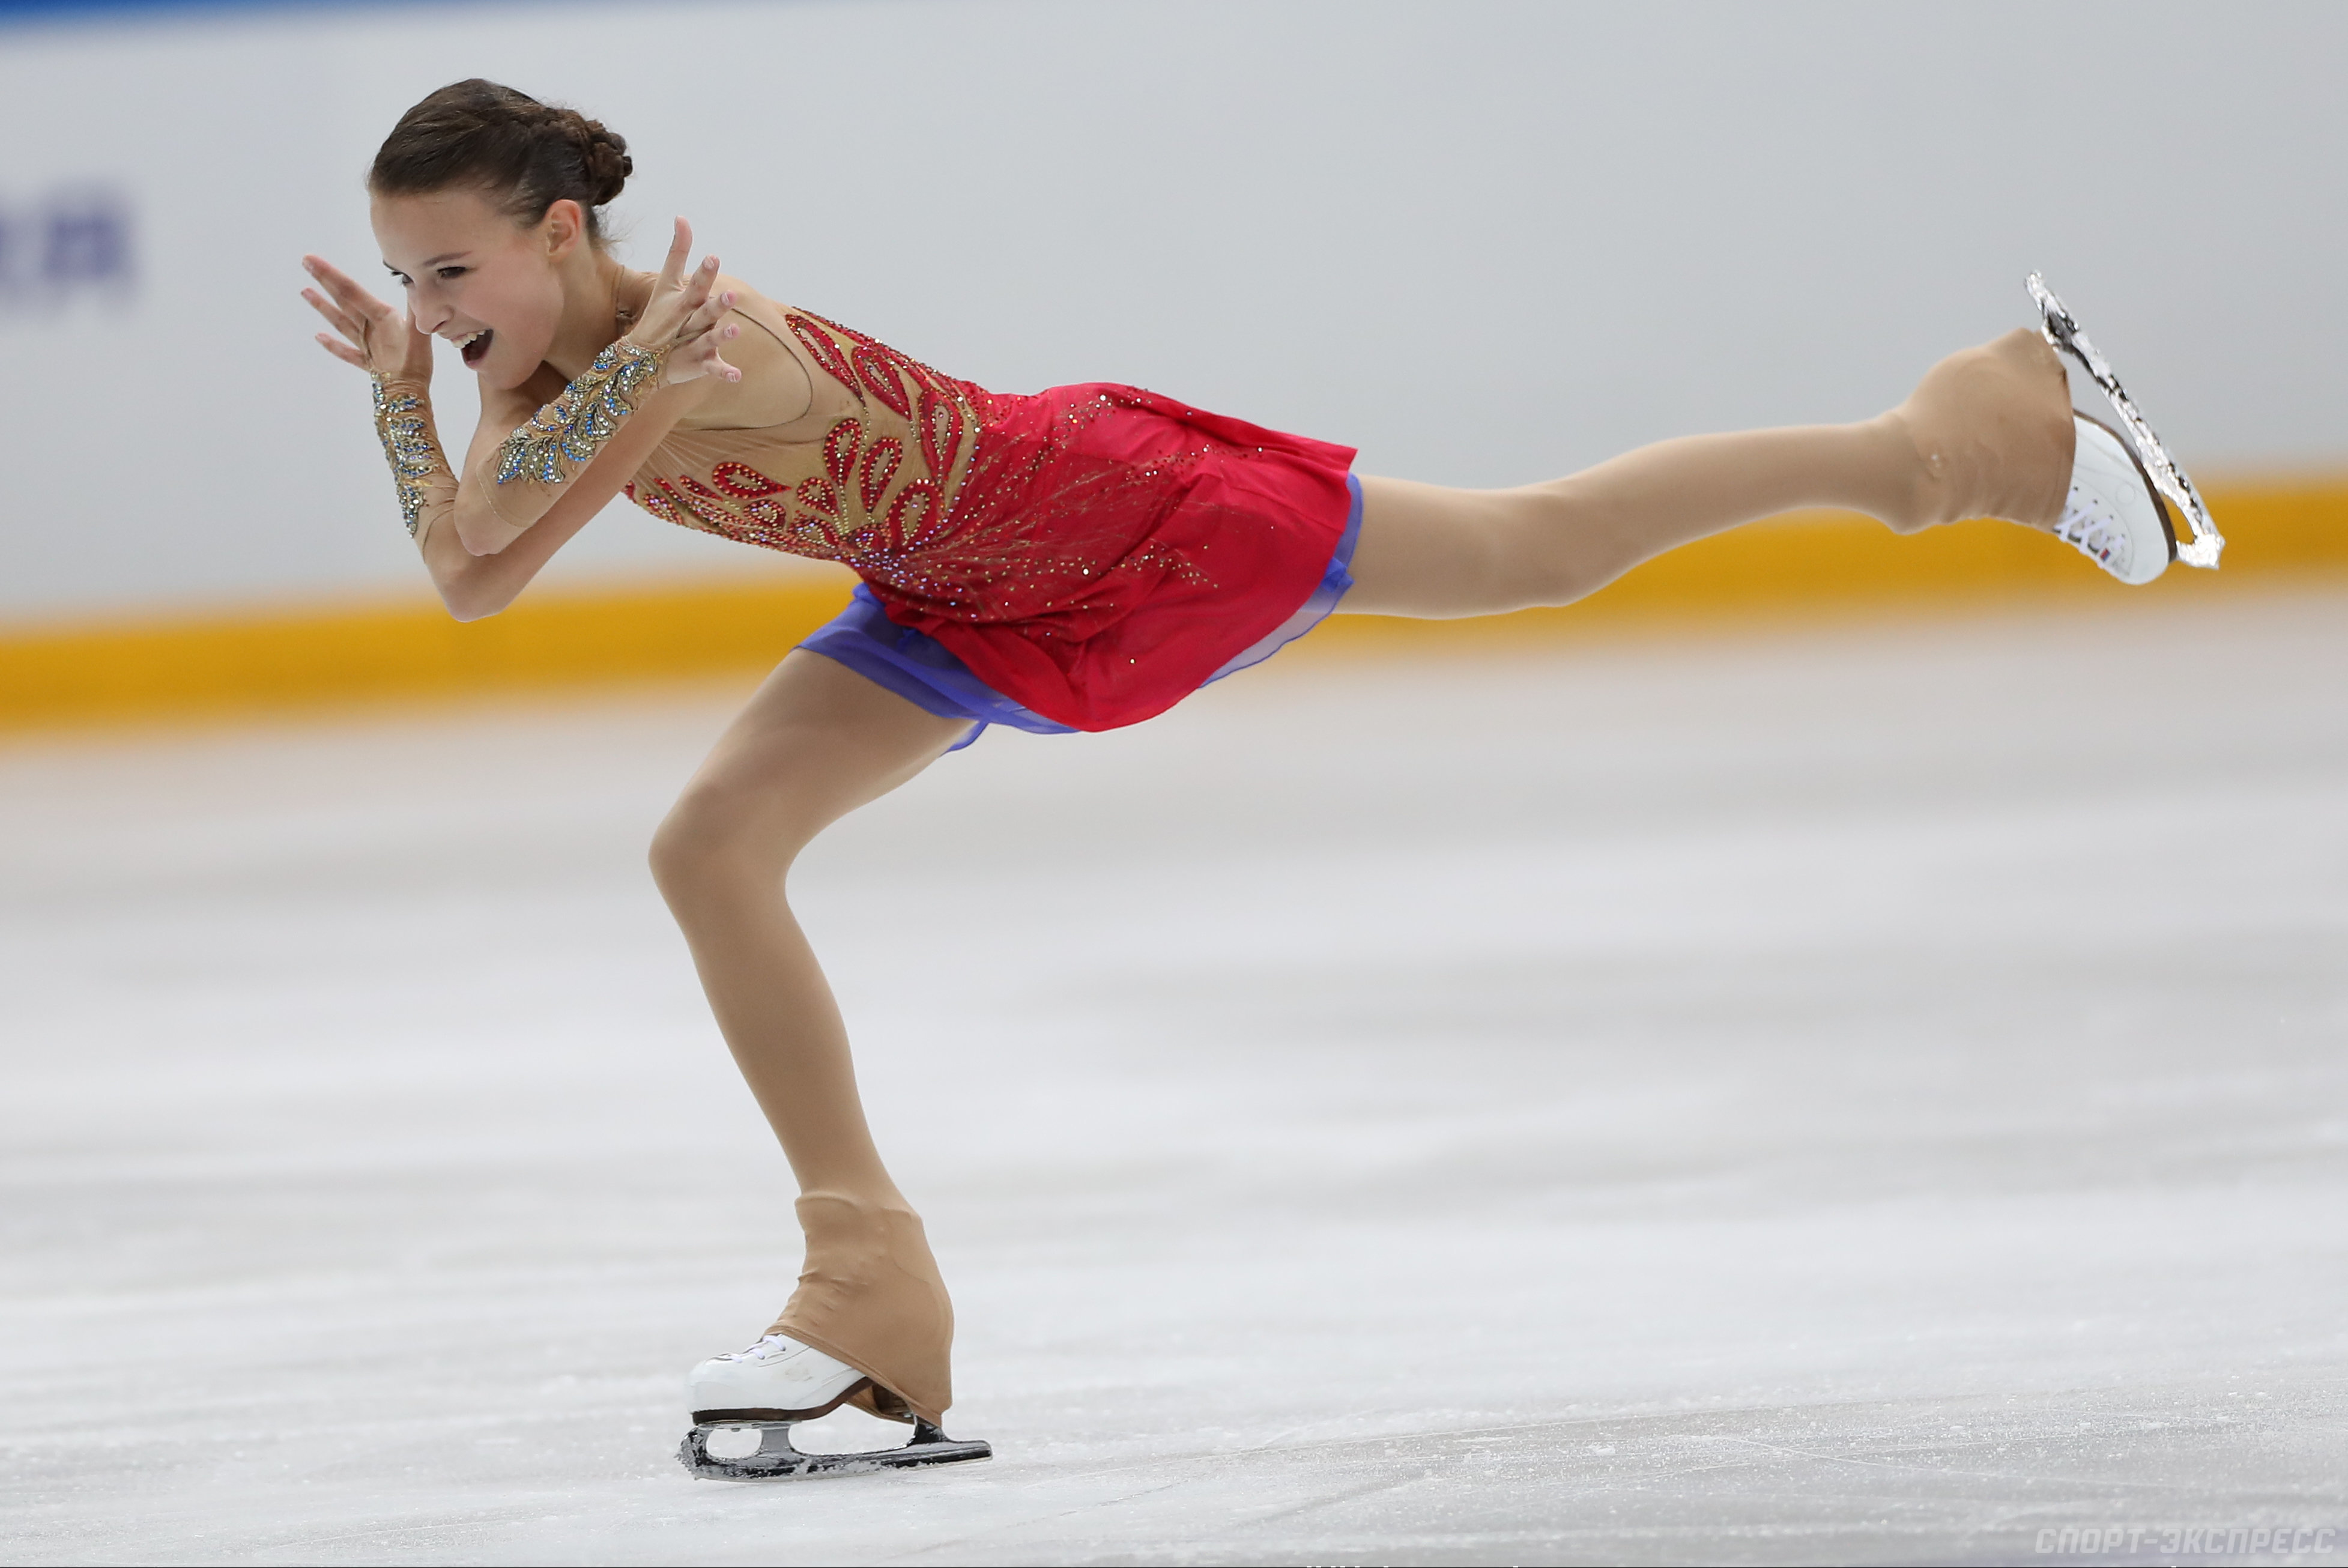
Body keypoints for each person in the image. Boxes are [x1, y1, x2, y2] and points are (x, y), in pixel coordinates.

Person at [300, 78, 2186, 1473]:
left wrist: (429, 404)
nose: (437, 307)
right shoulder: (529, 373)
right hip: (956, 593)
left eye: (452, 268)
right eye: (407, 275)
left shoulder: (708, 354)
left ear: (561, 232)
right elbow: (473, 533)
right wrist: (420, 382)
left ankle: (1959, 438)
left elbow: (474, 569)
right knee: (712, 843)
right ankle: (868, 1287)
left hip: (1123, 523)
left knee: (1533, 545)